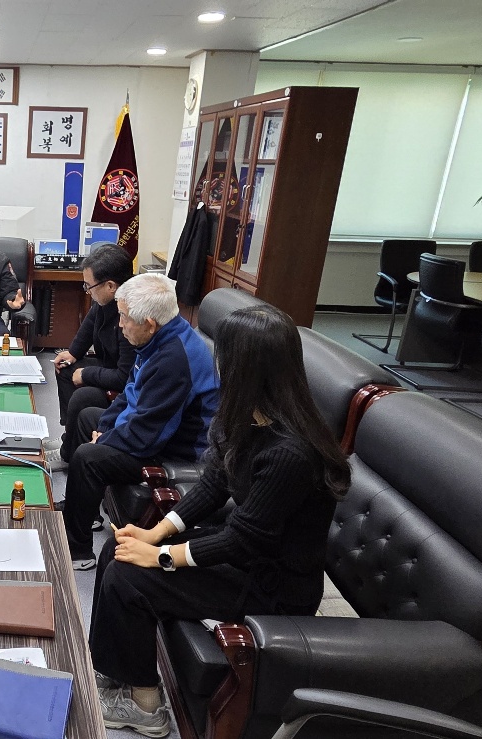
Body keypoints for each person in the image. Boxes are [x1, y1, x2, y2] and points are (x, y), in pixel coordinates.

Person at [86, 305, 351, 737]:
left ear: (245, 367)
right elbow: (213, 485)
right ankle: (116, 672)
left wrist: (162, 557)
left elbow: (244, 540)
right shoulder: (247, 416)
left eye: (223, 356)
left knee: (129, 577)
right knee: (120, 549)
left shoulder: (290, 452)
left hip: (274, 585)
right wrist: (155, 533)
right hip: (247, 556)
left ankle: (146, 706)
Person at [61, 273, 217, 570]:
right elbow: (129, 392)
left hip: (174, 448)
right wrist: (104, 428)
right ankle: (84, 513)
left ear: (149, 323)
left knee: (88, 457)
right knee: (88, 417)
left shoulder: (173, 360)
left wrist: (105, 439)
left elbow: (148, 436)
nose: (120, 324)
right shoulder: (156, 339)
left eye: (124, 317)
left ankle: (77, 551)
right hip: (151, 426)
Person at [53, 244, 137, 462]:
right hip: (108, 364)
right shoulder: (105, 300)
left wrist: (86, 374)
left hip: (121, 380)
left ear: (110, 286)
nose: (87, 290)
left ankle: (68, 453)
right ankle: (70, 434)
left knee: (83, 397)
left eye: (89, 286)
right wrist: (73, 353)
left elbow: (124, 377)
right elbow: (91, 323)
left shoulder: (130, 317)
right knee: (65, 367)